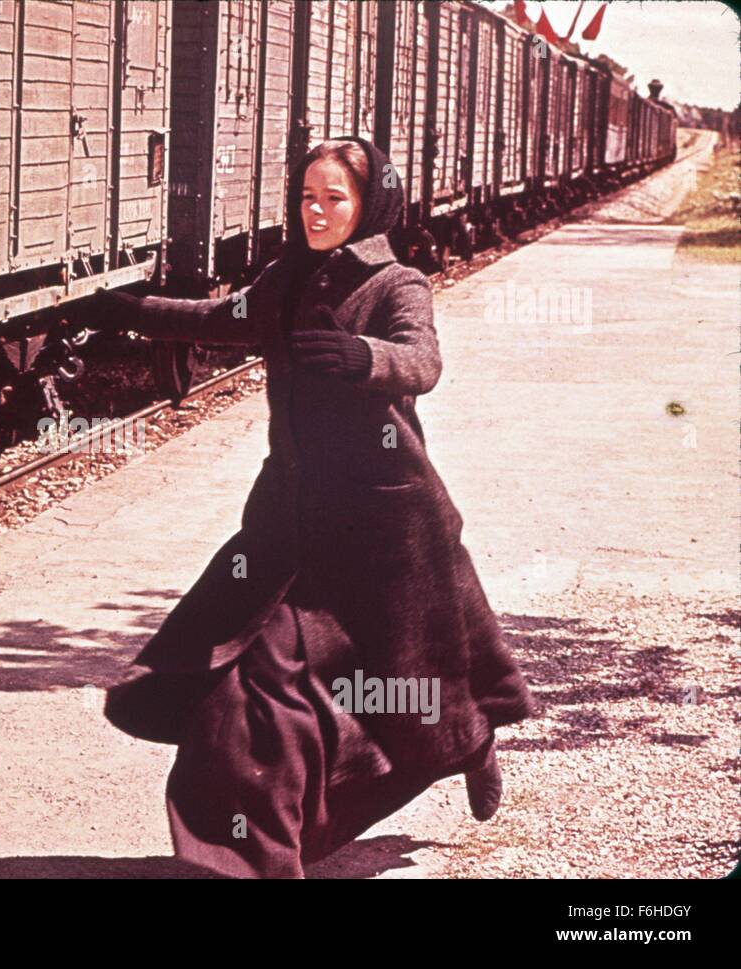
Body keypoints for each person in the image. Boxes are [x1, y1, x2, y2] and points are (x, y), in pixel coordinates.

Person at [99, 137, 533, 878]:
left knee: (415, 685)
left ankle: (472, 741)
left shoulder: (398, 283)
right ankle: (247, 858)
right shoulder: (283, 280)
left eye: (335, 199)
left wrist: (366, 358)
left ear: (366, 206)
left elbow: (422, 360)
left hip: (388, 528)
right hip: (291, 525)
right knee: (250, 683)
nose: (318, 212)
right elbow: (217, 318)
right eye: (307, 198)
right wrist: (130, 309)